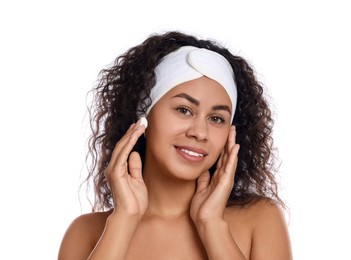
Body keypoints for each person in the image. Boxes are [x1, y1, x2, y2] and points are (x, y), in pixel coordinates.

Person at [58, 31, 293, 259]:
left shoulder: (260, 219)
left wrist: (211, 225)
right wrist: (124, 219)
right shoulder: (86, 233)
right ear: (144, 116)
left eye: (216, 119)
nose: (200, 133)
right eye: (184, 110)